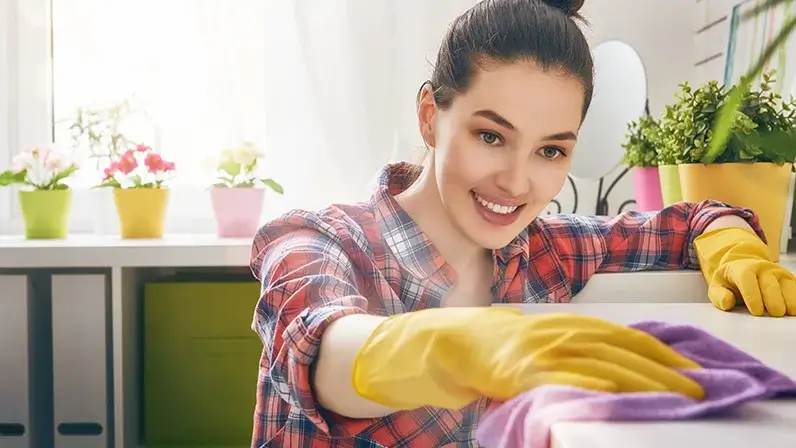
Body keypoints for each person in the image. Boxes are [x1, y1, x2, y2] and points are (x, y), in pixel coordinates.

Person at [248, 0, 796, 446]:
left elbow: (691, 221)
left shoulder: (547, 252)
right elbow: (322, 352)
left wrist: (731, 242)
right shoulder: (319, 241)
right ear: (430, 116)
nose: (515, 182)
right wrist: (452, 348)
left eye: (551, 151)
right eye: (491, 136)